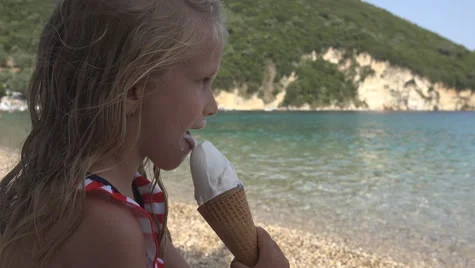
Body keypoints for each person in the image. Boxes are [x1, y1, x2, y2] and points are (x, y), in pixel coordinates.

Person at [0, 0, 290, 267]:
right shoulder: (105, 224)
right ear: (133, 89)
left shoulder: (134, 195)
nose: (213, 106)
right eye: (203, 81)